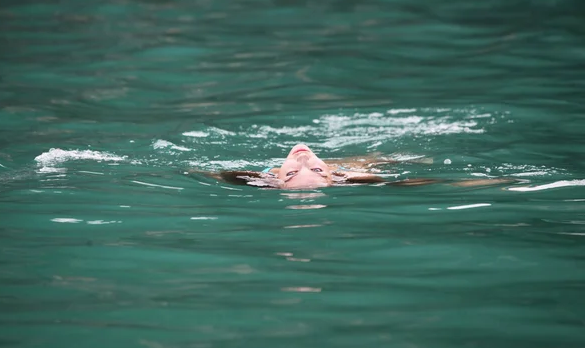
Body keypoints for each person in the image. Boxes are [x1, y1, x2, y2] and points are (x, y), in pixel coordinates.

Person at [214, 143, 511, 190]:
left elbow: (213, 174)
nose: (304, 159)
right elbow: (425, 183)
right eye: (316, 169)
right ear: (329, 175)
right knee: (379, 159)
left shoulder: (263, 181)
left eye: (293, 171)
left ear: (276, 179)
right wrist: (495, 182)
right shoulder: (347, 178)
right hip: (352, 167)